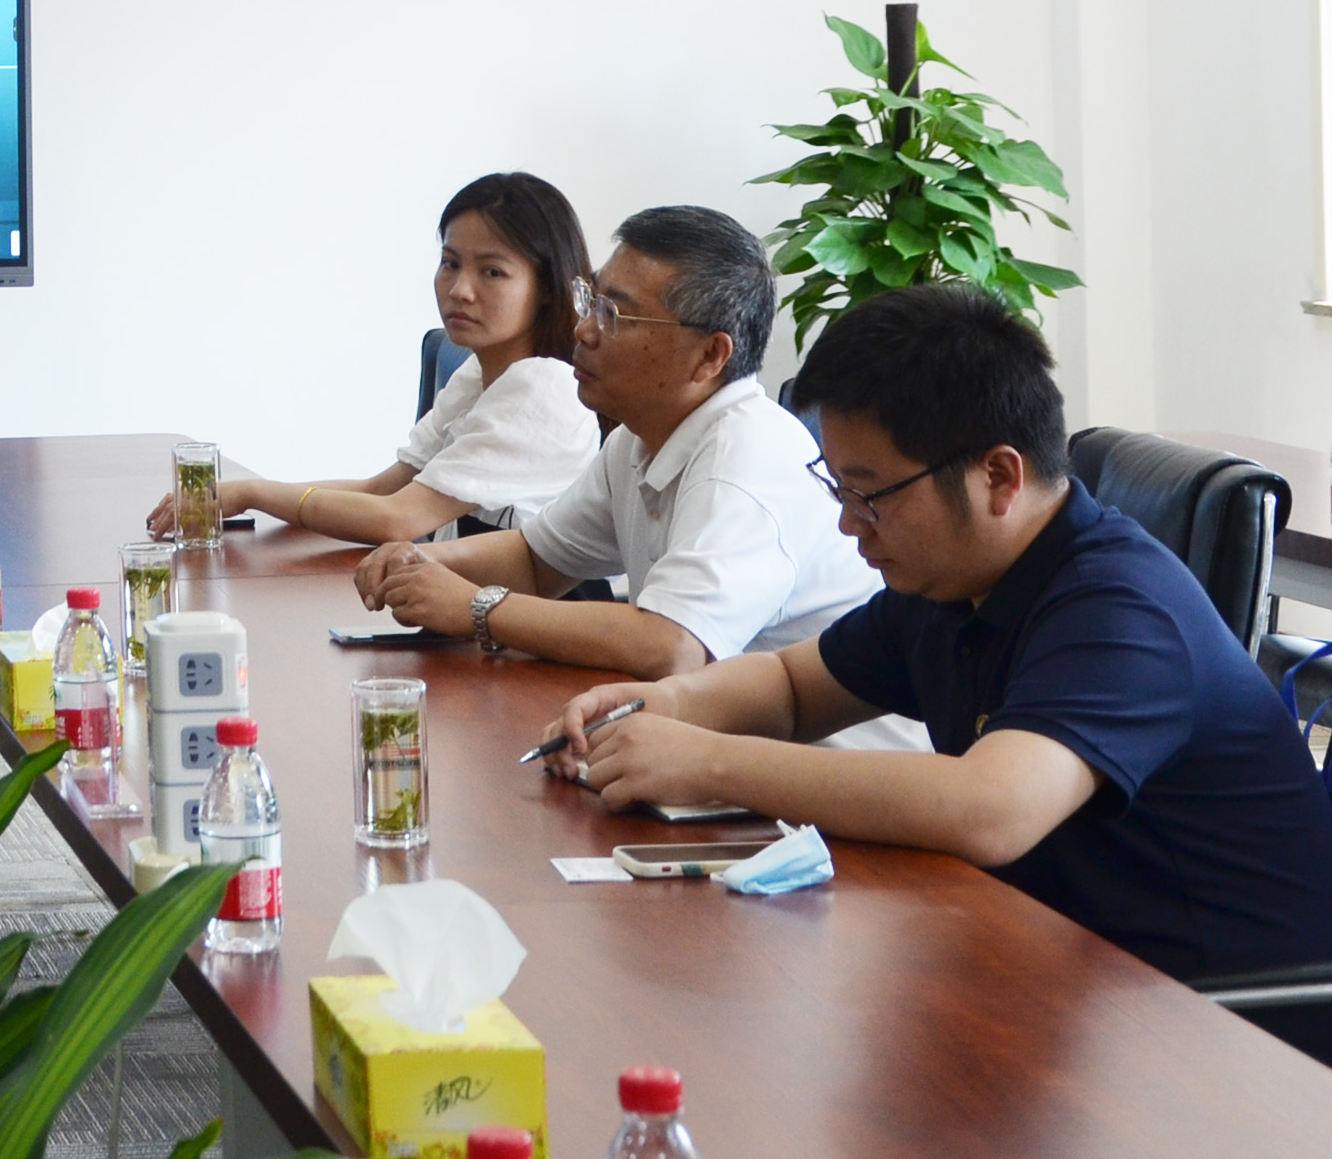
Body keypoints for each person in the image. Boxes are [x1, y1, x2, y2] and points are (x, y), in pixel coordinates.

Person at [540, 283, 1332, 999]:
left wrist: (705, 760)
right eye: (837, 488)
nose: (848, 524)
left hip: (1221, 1021)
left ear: (998, 477)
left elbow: (989, 809)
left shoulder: (1123, 609)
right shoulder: (952, 579)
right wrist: (665, 705)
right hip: (1055, 966)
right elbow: (791, 689)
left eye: (870, 495)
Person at [353, 207, 910, 743]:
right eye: (591, 301)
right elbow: (536, 560)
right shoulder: (639, 435)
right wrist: (423, 562)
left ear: (709, 356)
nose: (584, 330)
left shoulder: (747, 460)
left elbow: (671, 647)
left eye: (614, 315)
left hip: (829, 777)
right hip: (706, 746)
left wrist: (477, 607)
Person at [157, 172, 598, 545]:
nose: (460, 289)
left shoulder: (544, 388)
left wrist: (254, 494)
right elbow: (381, 490)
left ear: (547, 287)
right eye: (450, 263)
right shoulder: (477, 373)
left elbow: (396, 519)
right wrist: (242, 494)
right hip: (469, 604)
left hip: (534, 615)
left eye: (492, 272)